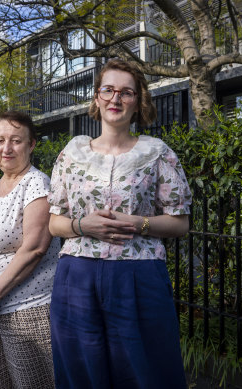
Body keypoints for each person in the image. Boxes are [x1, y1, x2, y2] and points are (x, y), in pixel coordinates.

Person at [48, 58, 192, 389]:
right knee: (81, 370)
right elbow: (55, 222)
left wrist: (138, 222)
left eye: (126, 92)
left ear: (138, 101)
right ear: (97, 98)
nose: (116, 98)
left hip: (139, 275)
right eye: (108, 90)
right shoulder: (71, 153)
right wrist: (84, 226)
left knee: (146, 370)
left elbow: (180, 223)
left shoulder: (157, 153)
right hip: (77, 277)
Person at [0, 111, 59, 388]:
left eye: (16, 141)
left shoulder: (36, 184)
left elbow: (35, 248)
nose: (6, 148)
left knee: (34, 383)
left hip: (28, 310)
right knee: (4, 382)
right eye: (0, 140)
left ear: (31, 145)